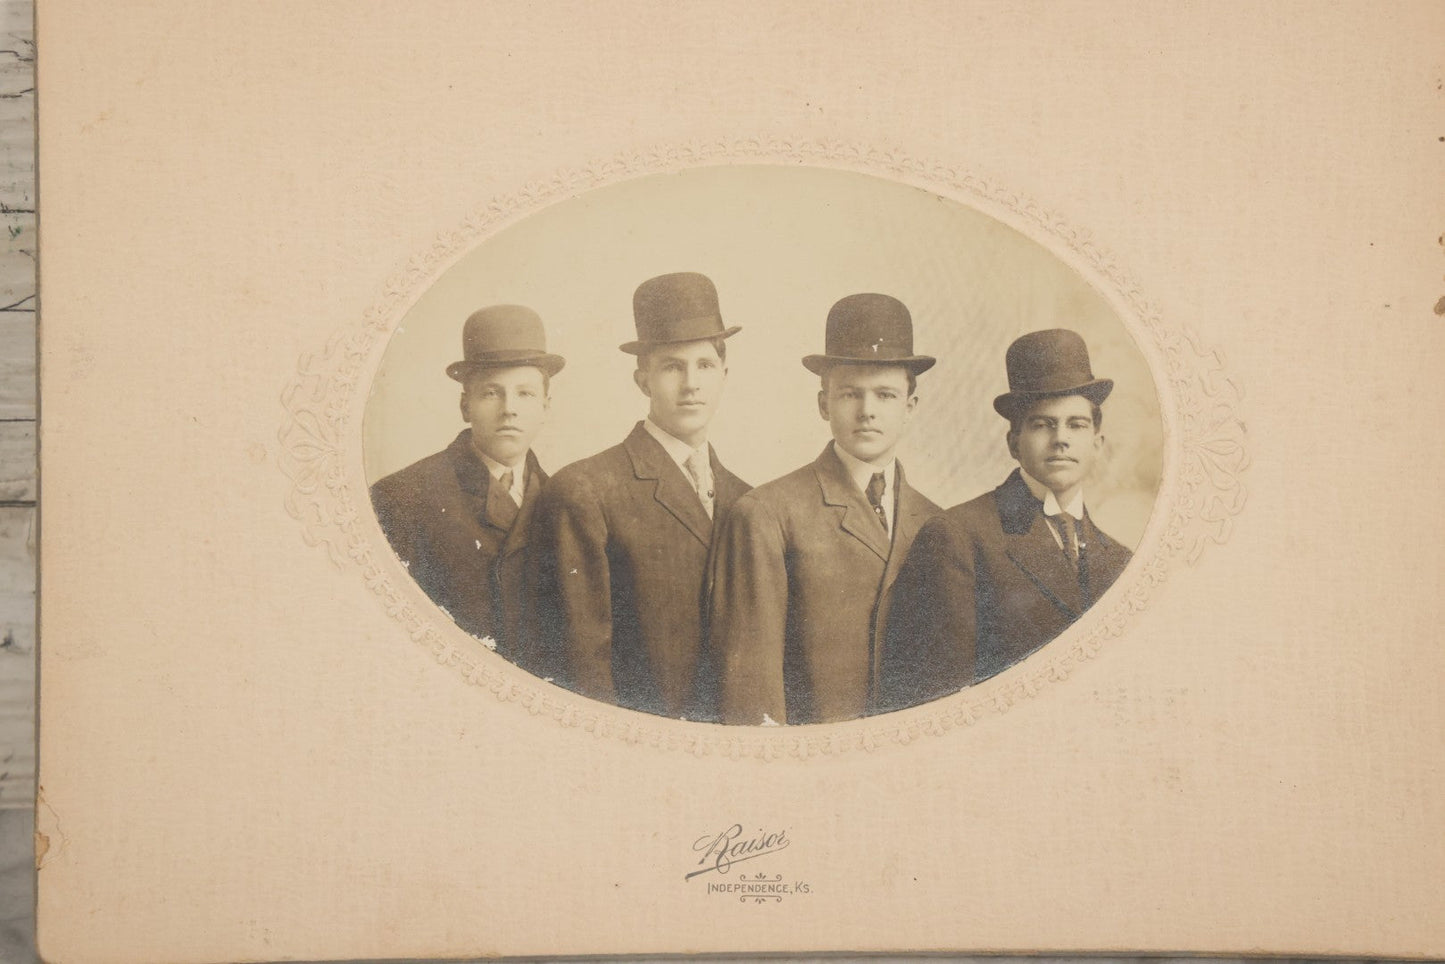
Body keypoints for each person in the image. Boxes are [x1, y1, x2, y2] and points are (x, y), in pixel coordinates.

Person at [705, 293, 941, 725]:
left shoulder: (937, 523)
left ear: (910, 408)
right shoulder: (767, 513)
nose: (867, 411)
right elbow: (751, 692)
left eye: (885, 395)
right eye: (850, 393)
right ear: (822, 404)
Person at [527, 272, 750, 718]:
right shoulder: (585, 490)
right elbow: (579, 666)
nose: (691, 383)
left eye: (704, 365)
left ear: (725, 375)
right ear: (642, 380)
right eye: (672, 366)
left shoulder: (748, 500)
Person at [877, 328, 1133, 712]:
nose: (1060, 439)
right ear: (1013, 442)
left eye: (1076, 425)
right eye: (1043, 424)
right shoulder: (958, 537)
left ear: (1097, 444)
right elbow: (935, 700)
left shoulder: (1120, 560)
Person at [370, 304, 565, 654]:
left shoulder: (564, 501)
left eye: (525, 393)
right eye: (492, 392)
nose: (509, 409)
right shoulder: (402, 497)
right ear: (465, 406)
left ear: (546, 408)